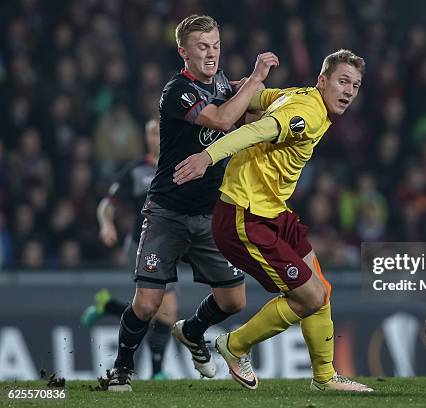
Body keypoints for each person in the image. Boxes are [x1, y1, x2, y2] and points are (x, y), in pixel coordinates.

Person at [173, 49, 373, 392]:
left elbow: (255, 98)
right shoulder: (307, 114)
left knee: (321, 289)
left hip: (273, 209)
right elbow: (257, 130)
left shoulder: (300, 94)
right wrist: (208, 156)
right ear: (322, 81)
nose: (348, 92)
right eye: (342, 82)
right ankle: (234, 345)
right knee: (309, 297)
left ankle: (325, 378)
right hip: (244, 215)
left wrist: (232, 84)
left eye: (354, 85)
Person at [108, 14, 279, 391]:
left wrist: (276, 109)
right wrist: (255, 79)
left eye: (216, 45)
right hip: (168, 212)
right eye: (202, 47)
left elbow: (240, 113)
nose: (211, 53)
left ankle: (193, 331)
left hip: (210, 211)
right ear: (183, 51)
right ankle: (121, 368)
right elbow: (220, 120)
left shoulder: (219, 81)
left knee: (234, 301)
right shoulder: (176, 91)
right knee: (149, 303)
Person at [82, 119, 176, 380]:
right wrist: (106, 224)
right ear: (146, 138)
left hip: (169, 246)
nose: (158, 137)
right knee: (162, 308)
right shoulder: (136, 171)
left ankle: (108, 306)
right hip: (142, 244)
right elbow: (107, 204)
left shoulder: (179, 165)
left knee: (153, 308)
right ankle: (157, 373)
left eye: (161, 132)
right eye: (153, 133)